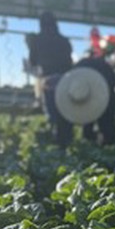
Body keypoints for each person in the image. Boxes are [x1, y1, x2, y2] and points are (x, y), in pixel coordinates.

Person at [26, 10, 75, 145]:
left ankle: (58, 140)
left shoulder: (37, 40)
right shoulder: (64, 40)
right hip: (66, 81)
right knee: (65, 111)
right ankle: (66, 139)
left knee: (54, 113)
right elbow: (69, 62)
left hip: (49, 81)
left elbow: (33, 62)